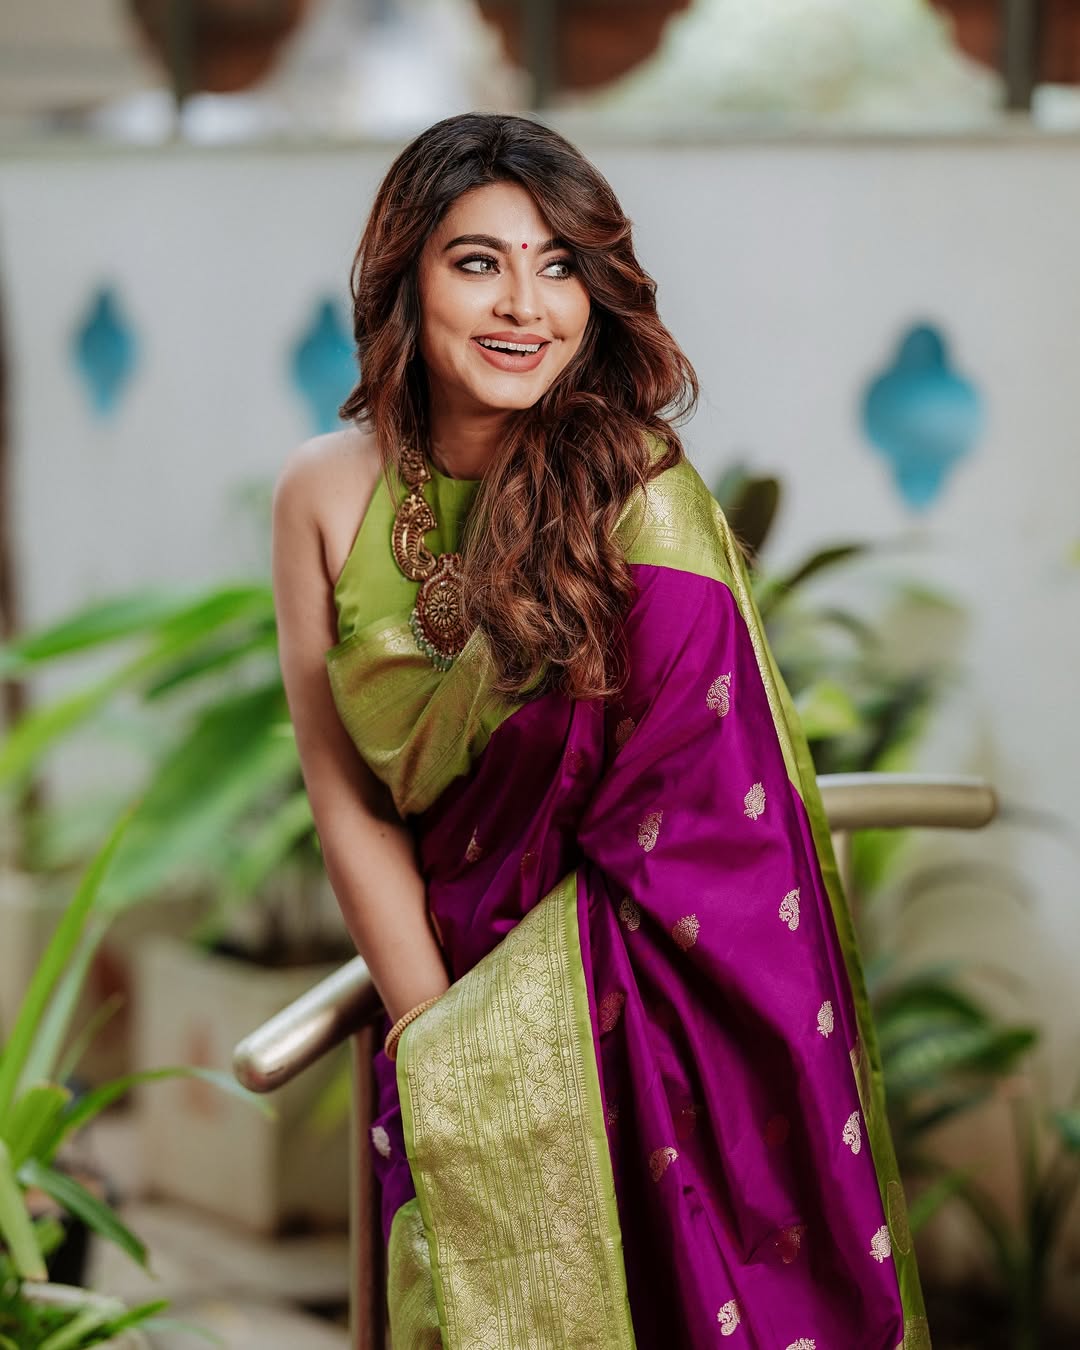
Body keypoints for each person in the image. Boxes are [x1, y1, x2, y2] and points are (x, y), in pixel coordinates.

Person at [272, 112, 928, 1350]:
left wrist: (522, 1023)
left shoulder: (637, 498)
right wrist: (439, 1035)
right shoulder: (322, 490)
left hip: (651, 1035)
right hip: (450, 992)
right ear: (405, 273)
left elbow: (700, 824)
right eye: (479, 262)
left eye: (560, 264)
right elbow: (346, 790)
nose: (526, 303)